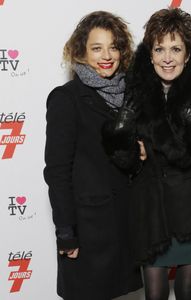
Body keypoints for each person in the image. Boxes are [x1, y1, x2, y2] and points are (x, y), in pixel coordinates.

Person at [102, 8, 191, 300]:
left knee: (187, 291)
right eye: (160, 49)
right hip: (152, 206)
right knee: (155, 294)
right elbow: (125, 159)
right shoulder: (136, 86)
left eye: (176, 49)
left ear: (187, 53)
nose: (167, 58)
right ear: (150, 53)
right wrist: (122, 133)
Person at [43, 11, 142, 300]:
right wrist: (66, 232)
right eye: (96, 48)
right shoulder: (66, 98)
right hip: (88, 231)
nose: (106, 55)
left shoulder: (130, 96)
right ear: (82, 53)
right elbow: (57, 171)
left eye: (113, 47)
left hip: (125, 226)